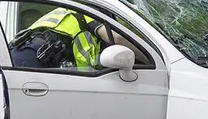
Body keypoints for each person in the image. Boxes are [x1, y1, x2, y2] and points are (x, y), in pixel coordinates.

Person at [8, 7, 148, 71]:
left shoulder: (65, 14)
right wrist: (148, 56)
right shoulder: (89, 13)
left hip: (19, 59)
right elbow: (119, 40)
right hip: (34, 60)